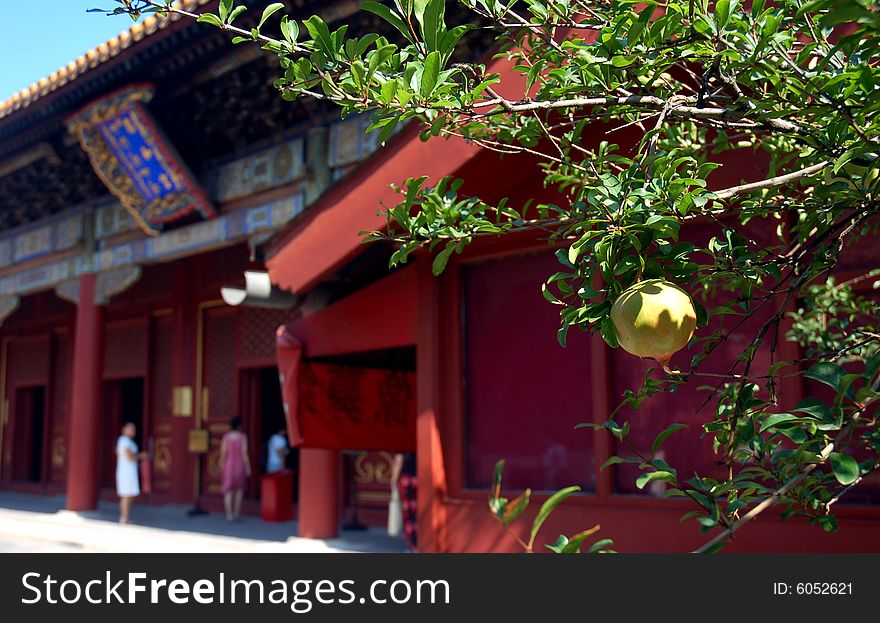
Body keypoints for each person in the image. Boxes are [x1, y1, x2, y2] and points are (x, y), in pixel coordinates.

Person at [220, 416, 251, 522]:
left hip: (229, 463)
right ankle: (236, 513)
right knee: (239, 490)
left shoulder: (226, 437)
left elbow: (223, 452)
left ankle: (229, 515)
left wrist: (221, 463)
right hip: (239, 463)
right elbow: (244, 453)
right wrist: (248, 467)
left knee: (228, 489)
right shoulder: (242, 437)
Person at [116, 422, 147, 524]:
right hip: (126, 471)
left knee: (129, 495)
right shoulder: (124, 441)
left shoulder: (128, 441)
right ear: (124, 429)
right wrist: (141, 455)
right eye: (130, 429)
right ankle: (123, 518)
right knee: (125, 494)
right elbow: (130, 457)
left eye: (133, 429)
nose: (132, 431)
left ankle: (126, 517)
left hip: (129, 471)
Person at [391, 452, 417, 551]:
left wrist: (393, 480)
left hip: (407, 482)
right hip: (416, 482)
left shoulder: (401, 451)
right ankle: (414, 545)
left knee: (409, 519)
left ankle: (411, 545)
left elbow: (398, 460)